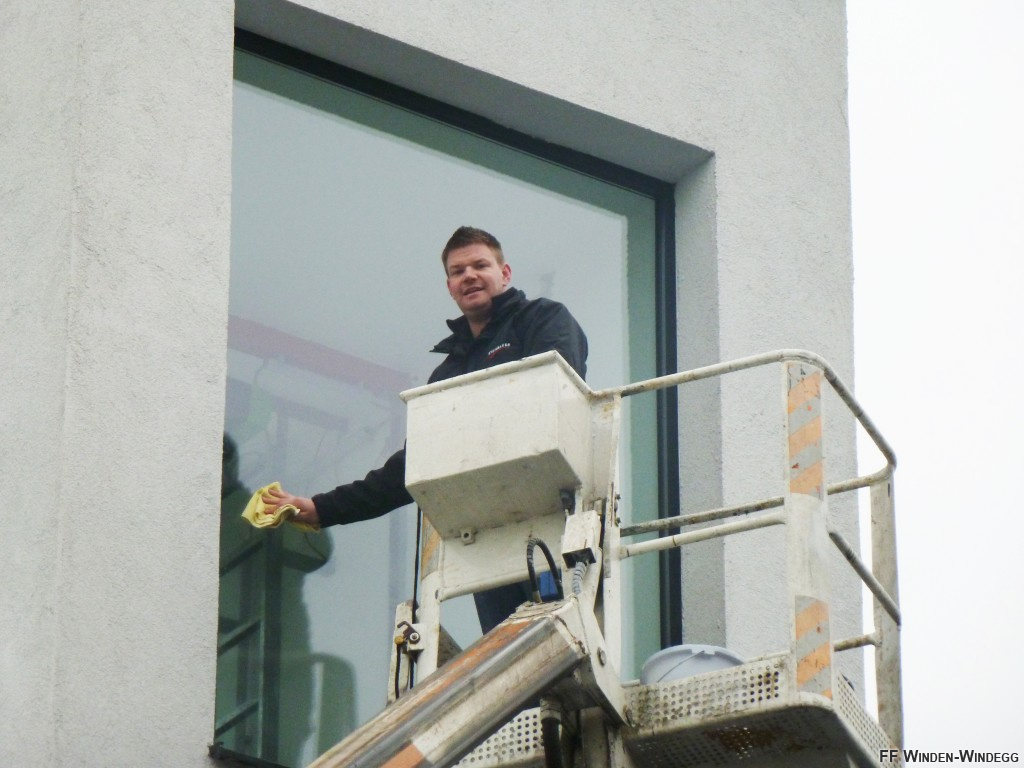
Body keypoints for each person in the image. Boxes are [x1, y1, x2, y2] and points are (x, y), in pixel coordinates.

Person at [262, 226, 588, 631]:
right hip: (481, 527)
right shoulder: (447, 372)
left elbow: (552, 389)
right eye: (458, 271)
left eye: (480, 265)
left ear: (504, 273)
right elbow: (412, 466)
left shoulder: (542, 319)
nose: (469, 276)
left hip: (551, 510)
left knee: (563, 633)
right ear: (450, 287)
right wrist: (321, 509)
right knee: (509, 643)